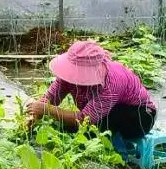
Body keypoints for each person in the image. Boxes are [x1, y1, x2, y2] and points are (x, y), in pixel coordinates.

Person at [26, 39, 156, 147]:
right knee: (62, 125)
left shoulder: (112, 82)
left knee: (89, 128)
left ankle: (115, 147)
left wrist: (48, 110)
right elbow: (50, 98)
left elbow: (84, 119)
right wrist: (35, 116)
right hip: (105, 116)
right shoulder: (68, 76)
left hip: (139, 117)